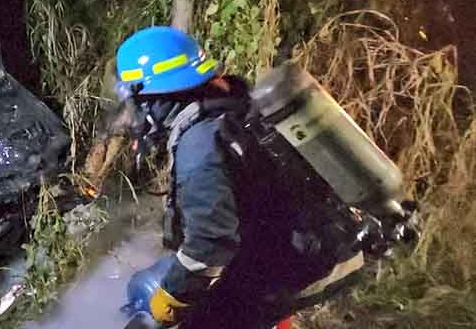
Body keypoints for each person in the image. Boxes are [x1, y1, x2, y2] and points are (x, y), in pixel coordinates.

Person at [109, 27, 368, 329]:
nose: (136, 114)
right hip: (313, 240)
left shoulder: (199, 147)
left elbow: (209, 247)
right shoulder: (234, 105)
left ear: (155, 96)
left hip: (296, 263)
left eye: (137, 102)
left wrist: (165, 305)